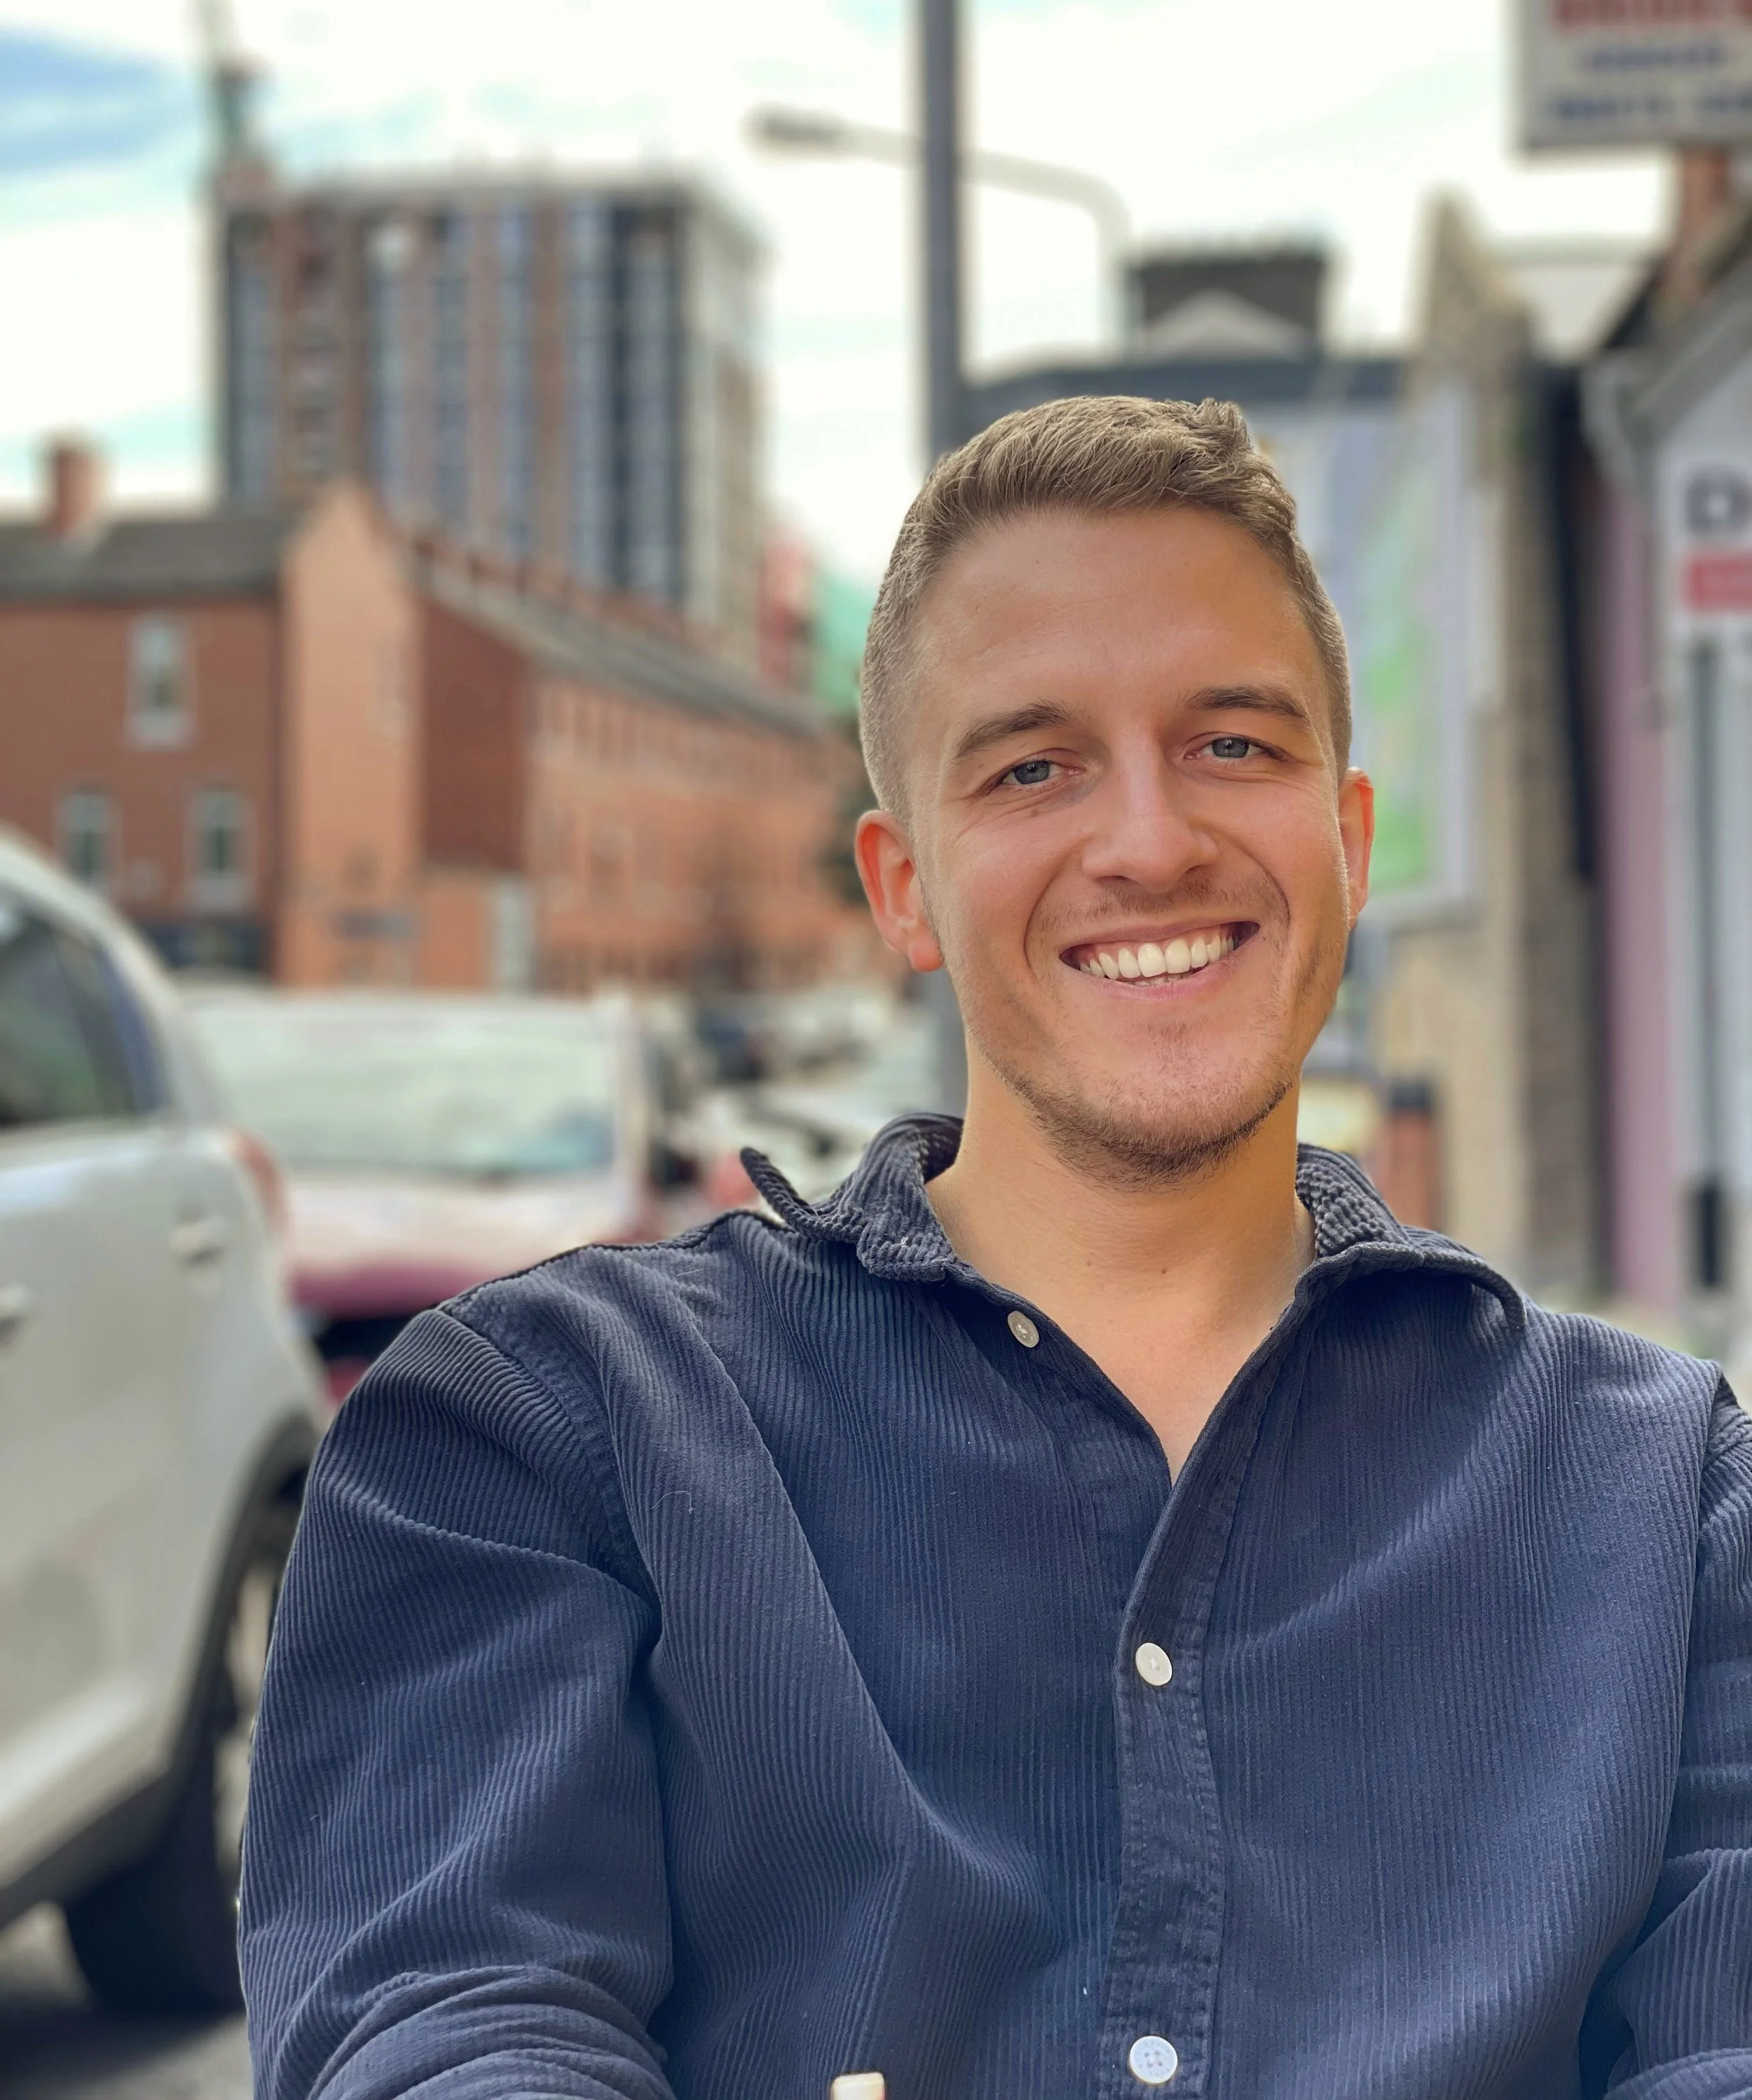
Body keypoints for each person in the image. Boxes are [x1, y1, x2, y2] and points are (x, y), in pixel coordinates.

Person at [241, 397, 1752, 2100]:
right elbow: (446, 2028)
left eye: (1231, 745)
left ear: (1344, 834)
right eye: (1032, 767)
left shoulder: (1667, 1499)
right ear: (902, 886)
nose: (1146, 839)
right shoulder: (547, 1432)